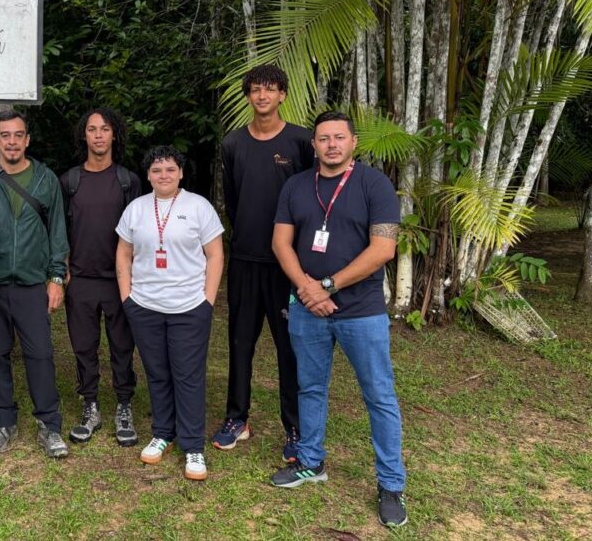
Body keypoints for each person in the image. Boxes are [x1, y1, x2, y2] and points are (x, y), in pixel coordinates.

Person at [269, 111, 408, 528]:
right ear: (313, 144)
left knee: (378, 395)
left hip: (361, 312)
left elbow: (383, 249)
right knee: (309, 388)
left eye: (339, 137)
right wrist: (307, 289)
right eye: (323, 138)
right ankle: (311, 461)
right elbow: (281, 242)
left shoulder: (374, 185)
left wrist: (325, 286)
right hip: (306, 309)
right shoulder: (296, 185)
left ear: (353, 143)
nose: (331, 144)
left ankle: (391, 484)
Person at [212, 65, 314, 459]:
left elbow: (310, 200)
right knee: (240, 343)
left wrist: (298, 259)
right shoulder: (234, 143)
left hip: (288, 266)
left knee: (289, 347)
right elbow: (234, 202)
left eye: (270, 90)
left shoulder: (302, 141)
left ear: (283, 95)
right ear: (248, 96)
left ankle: (295, 427)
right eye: (255, 90)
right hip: (244, 260)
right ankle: (237, 418)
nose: (262, 96)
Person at [116, 145, 224, 481]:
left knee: (188, 376)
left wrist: (207, 301)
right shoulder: (135, 209)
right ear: (148, 175)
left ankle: (193, 446)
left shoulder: (198, 207)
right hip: (145, 306)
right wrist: (128, 299)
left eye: (170, 169)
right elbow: (123, 255)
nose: (164, 175)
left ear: (181, 172)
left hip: (189, 307)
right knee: (157, 372)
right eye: (157, 169)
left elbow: (216, 256)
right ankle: (163, 432)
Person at [0, 110, 71, 459]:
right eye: (5, 135)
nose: (12, 141)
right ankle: (3, 422)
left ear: (27, 140)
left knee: (39, 354)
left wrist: (56, 277)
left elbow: (58, 231)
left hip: (31, 284)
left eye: (18, 135)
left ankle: (49, 424)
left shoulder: (45, 179)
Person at [60, 107, 142, 446]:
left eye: (104, 129)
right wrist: (61, 269)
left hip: (120, 279)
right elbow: (59, 230)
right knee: (84, 347)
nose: (98, 135)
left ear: (114, 135)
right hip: (80, 279)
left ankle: (124, 406)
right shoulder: (69, 180)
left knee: (123, 346)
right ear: (84, 135)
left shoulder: (128, 180)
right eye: (92, 129)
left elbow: (142, 231)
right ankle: (90, 404)